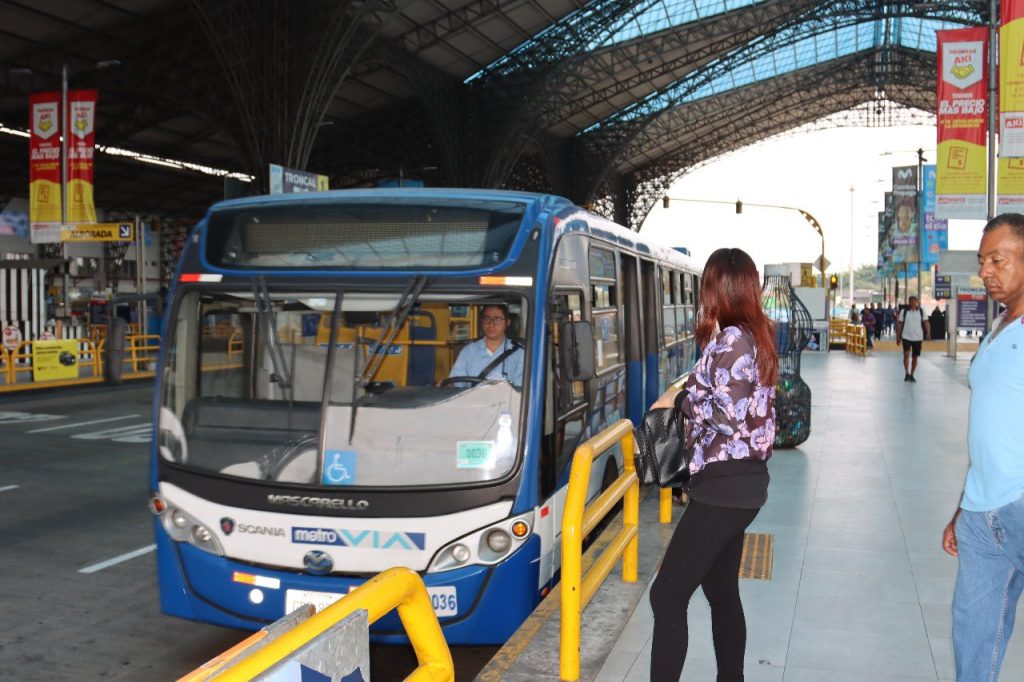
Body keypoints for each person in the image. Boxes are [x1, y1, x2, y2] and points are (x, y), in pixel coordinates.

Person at [647, 247, 777, 682]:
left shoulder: (735, 339)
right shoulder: (751, 336)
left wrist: (680, 399)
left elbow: (727, 413)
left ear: (718, 289)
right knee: (721, 591)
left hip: (725, 487)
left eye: (706, 287)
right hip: (737, 485)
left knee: (666, 596)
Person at [941, 213, 1024, 681]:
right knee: (972, 640)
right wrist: (962, 507)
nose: (987, 271)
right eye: (982, 261)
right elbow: (991, 424)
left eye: (999, 259)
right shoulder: (998, 328)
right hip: (980, 515)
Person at [447, 303, 524, 386]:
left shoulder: (519, 353)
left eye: (497, 319)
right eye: (487, 318)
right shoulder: (468, 351)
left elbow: (521, 390)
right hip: (473, 398)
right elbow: (456, 384)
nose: (491, 324)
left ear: (507, 323)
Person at [896, 295, 929, 382]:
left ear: (917, 302)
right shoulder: (904, 311)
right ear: (909, 302)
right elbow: (900, 324)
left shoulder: (921, 311)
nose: (913, 302)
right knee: (906, 354)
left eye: (915, 301)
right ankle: (907, 373)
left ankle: (912, 374)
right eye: (911, 301)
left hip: (918, 337)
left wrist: (928, 333)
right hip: (906, 336)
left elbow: (926, 322)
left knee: (915, 357)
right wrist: (898, 336)